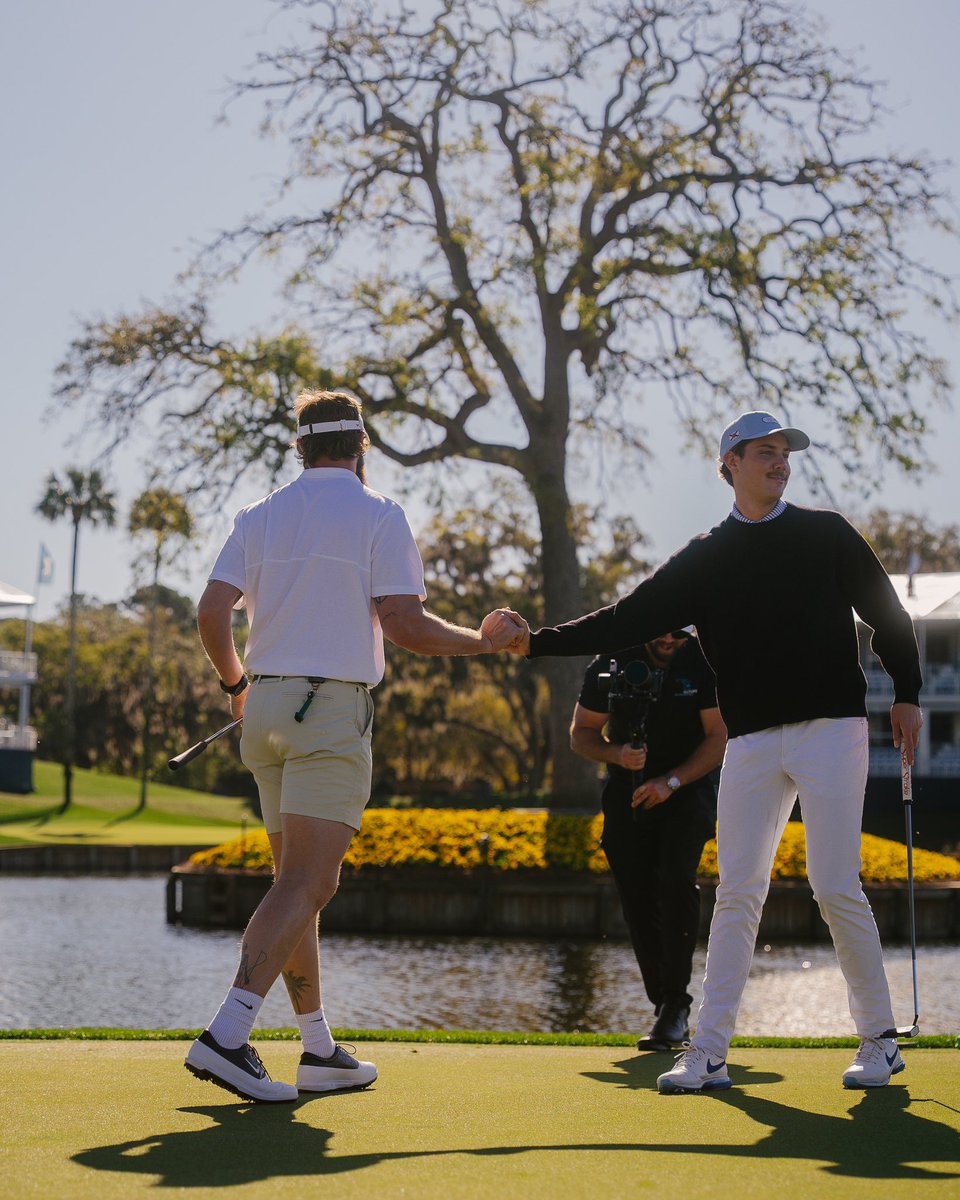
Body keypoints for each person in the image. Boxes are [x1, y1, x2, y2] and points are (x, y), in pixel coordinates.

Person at [505, 411, 922, 1093]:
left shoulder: (826, 533)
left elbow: (889, 615)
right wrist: (536, 642)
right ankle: (708, 1051)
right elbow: (627, 618)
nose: (779, 463)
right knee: (737, 891)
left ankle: (879, 1039)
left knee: (832, 882)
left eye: (785, 454)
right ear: (729, 463)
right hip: (753, 740)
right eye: (765, 453)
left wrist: (906, 691)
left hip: (831, 729)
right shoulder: (707, 556)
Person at [185, 388, 519, 1103]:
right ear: (362, 447)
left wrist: (235, 685)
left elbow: (213, 612)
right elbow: (406, 624)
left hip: (266, 710)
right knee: (311, 883)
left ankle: (318, 1050)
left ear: (300, 447)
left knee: (294, 885)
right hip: (330, 714)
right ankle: (228, 1036)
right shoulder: (380, 514)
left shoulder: (259, 514)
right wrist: (481, 643)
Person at [570, 629, 726, 1049]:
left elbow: (718, 736)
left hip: (685, 788)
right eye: (661, 630)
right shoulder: (613, 656)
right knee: (637, 897)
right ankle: (665, 1003)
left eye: (679, 632)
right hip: (626, 789)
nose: (668, 639)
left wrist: (670, 782)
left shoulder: (703, 658)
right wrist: (617, 754)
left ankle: (676, 1005)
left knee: (676, 881)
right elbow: (581, 732)